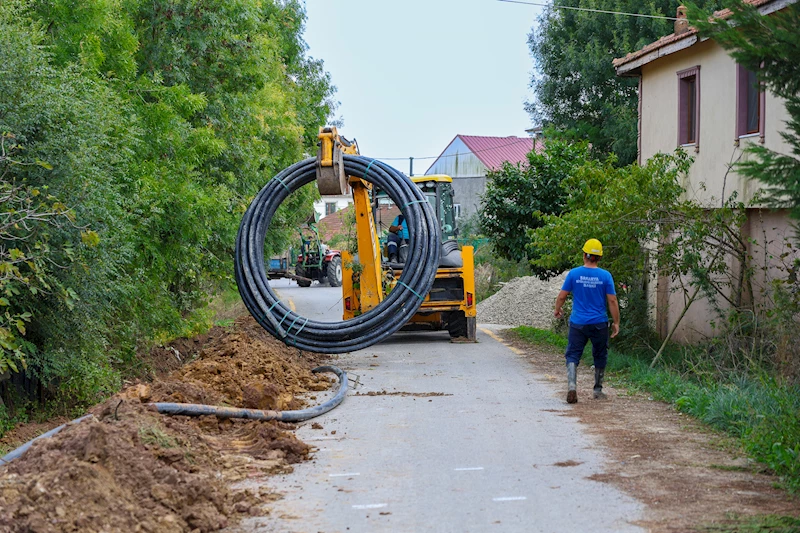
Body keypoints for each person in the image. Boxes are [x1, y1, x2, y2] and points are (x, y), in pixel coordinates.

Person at [553, 238, 620, 404]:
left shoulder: (574, 274)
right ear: (599, 258)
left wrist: (557, 309)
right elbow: (612, 300)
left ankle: (571, 386)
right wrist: (616, 322)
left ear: (584, 255)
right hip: (599, 323)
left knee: (573, 354)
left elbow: (562, 296)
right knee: (600, 354)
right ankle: (597, 390)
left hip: (578, 323)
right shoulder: (605, 276)